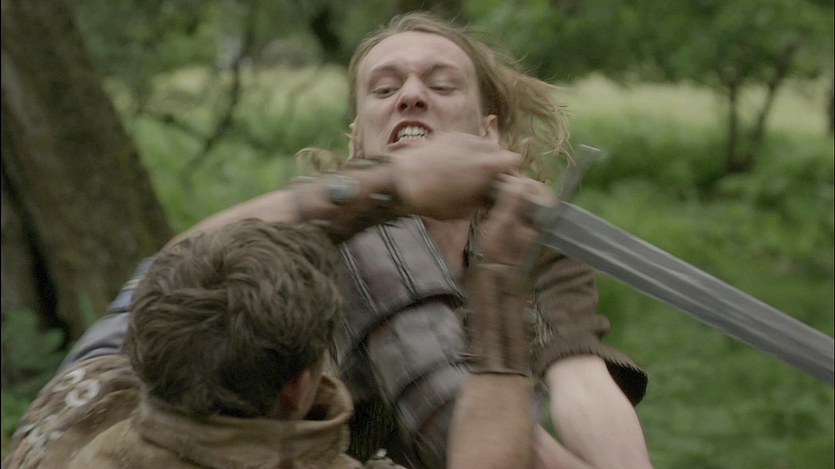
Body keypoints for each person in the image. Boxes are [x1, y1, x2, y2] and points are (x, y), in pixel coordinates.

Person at [11, 11, 653, 469]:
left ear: (489, 132)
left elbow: (581, 375)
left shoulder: (530, 232)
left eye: (441, 84)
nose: (411, 96)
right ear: (356, 143)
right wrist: (399, 190)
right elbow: (463, 424)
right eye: (385, 88)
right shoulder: (358, 243)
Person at [5, 176, 551, 468]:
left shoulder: (79, 407)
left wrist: (395, 180)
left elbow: (167, 259)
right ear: (297, 390)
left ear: (147, 344)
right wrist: (501, 284)